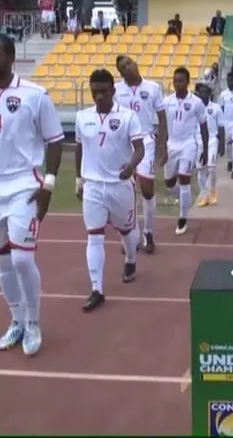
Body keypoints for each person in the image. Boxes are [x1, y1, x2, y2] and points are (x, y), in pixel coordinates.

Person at [0, 33, 65, 357]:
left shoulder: (35, 95)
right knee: (3, 261)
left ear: (10, 56)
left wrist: (48, 184)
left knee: (22, 258)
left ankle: (33, 321)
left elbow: (56, 140)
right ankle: (16, 319)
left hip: (25, 185)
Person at [74, 69, 145, 310]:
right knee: (94, 236)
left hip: (120, 186)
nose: (99, 96)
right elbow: (79, 148)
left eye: (104, 91)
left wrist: (132, 165)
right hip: (93, 186)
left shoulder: (128, 117)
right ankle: (97, 289)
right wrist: (78, 179)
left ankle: (131, 259)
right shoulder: (82, 117)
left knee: (127, 232)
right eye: (95, 91)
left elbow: (139, 149)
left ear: (113, 91)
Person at [114, 55, 167, 253]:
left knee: (146, 188)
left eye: (128, 63)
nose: (126, 68)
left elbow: (162, 117)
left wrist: (163, 144)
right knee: (125, 191)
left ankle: (149, 231)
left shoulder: (153, 88)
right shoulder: (117, 90)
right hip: (123, 143)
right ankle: (131, 235)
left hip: (145, 140)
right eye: (122, 67)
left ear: (135, 64)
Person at [162, 67, 209, 234]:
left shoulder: (196, 103)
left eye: (180, 80)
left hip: (188, 144)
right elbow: (162, 126)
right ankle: (184, 197)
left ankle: (182, 217)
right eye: (175, 81)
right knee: (169, 182)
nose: (177, 84)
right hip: (171, 144)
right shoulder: (167, 101)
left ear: (188, 82)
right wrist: (162, 146)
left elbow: (204, 127)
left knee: (184, 178)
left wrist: (204, 149)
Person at [195, 82, 225, 206]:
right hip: (198, 140)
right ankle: (204, 194)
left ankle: (212, 190)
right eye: (200, 92)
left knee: (211, 167)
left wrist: (222, 144)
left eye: (205, 92)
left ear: (209, 94)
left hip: (212, 139)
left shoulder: (216, 108)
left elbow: (221, 126)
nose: (202, 94)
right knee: (201, 170)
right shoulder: (195, 108)